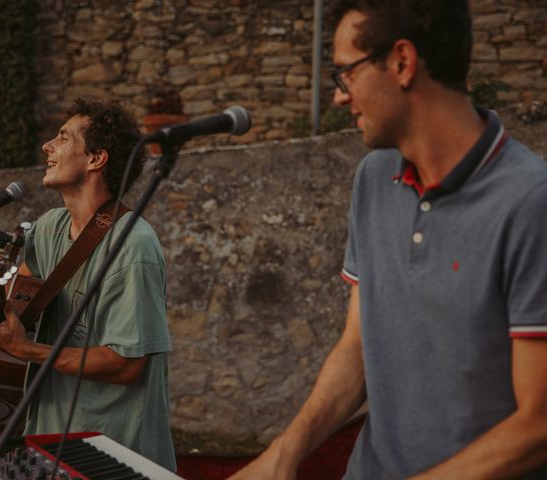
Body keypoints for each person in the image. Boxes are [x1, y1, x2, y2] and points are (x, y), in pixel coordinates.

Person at [229, 0, 547, 478]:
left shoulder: (530, 202)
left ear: (402, 63)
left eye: (346, 73)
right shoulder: (374, 178)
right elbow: (357, 347)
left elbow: (537, 424)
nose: (339, 95)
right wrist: (283, 453)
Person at [0, 99, 176, 471]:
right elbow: (21, 297)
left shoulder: (133, 247)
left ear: (96, 159)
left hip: (114, 454)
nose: (47, 146)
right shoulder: (49, 228)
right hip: (47, 441)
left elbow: (127, 365)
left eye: (62, 138)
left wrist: (27, 350)